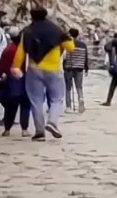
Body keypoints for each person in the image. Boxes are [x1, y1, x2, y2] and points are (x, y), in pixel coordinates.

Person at [13, 7, 72, 142]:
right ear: (46, 15)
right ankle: (52, 122)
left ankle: (39, 132)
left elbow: (21, 51)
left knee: (36, 101)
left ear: (31, 16)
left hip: (34, 69)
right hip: (54, 69)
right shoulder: (56, 30)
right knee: (57, 99)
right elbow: (70, 47)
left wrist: (16, 67)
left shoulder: (27, 31)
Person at [0, 31, 30, 135]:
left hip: (11, 81)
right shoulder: (25, 51)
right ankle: (24, 129)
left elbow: (1, 66)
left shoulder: (8, 49)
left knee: (10, 107)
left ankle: (7, 129)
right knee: (25, 106)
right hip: (25, 80)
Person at [63, 27, 89, 113]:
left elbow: (64, 57)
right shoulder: (83, 45)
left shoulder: (67, 43)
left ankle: (68, 107)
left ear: (70, 34)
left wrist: (63, 66)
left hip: (68, 68)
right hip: (79, 68)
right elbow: (85, 57)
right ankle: (81, 99)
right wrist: (86, 68)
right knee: (79, 87)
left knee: (68, 88)